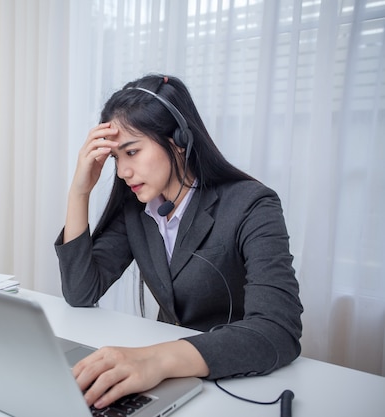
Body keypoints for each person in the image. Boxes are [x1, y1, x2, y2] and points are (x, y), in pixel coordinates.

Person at [54, 74, 303, 410]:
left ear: (178, 140)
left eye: (132, 152)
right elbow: (81, 291)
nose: (124, 171)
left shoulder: (252, 204)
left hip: (233, 379)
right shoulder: (137, 209)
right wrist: (79, 192)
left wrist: (155, 361)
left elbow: (277, 330)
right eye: (116, 159)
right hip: (168, 381)